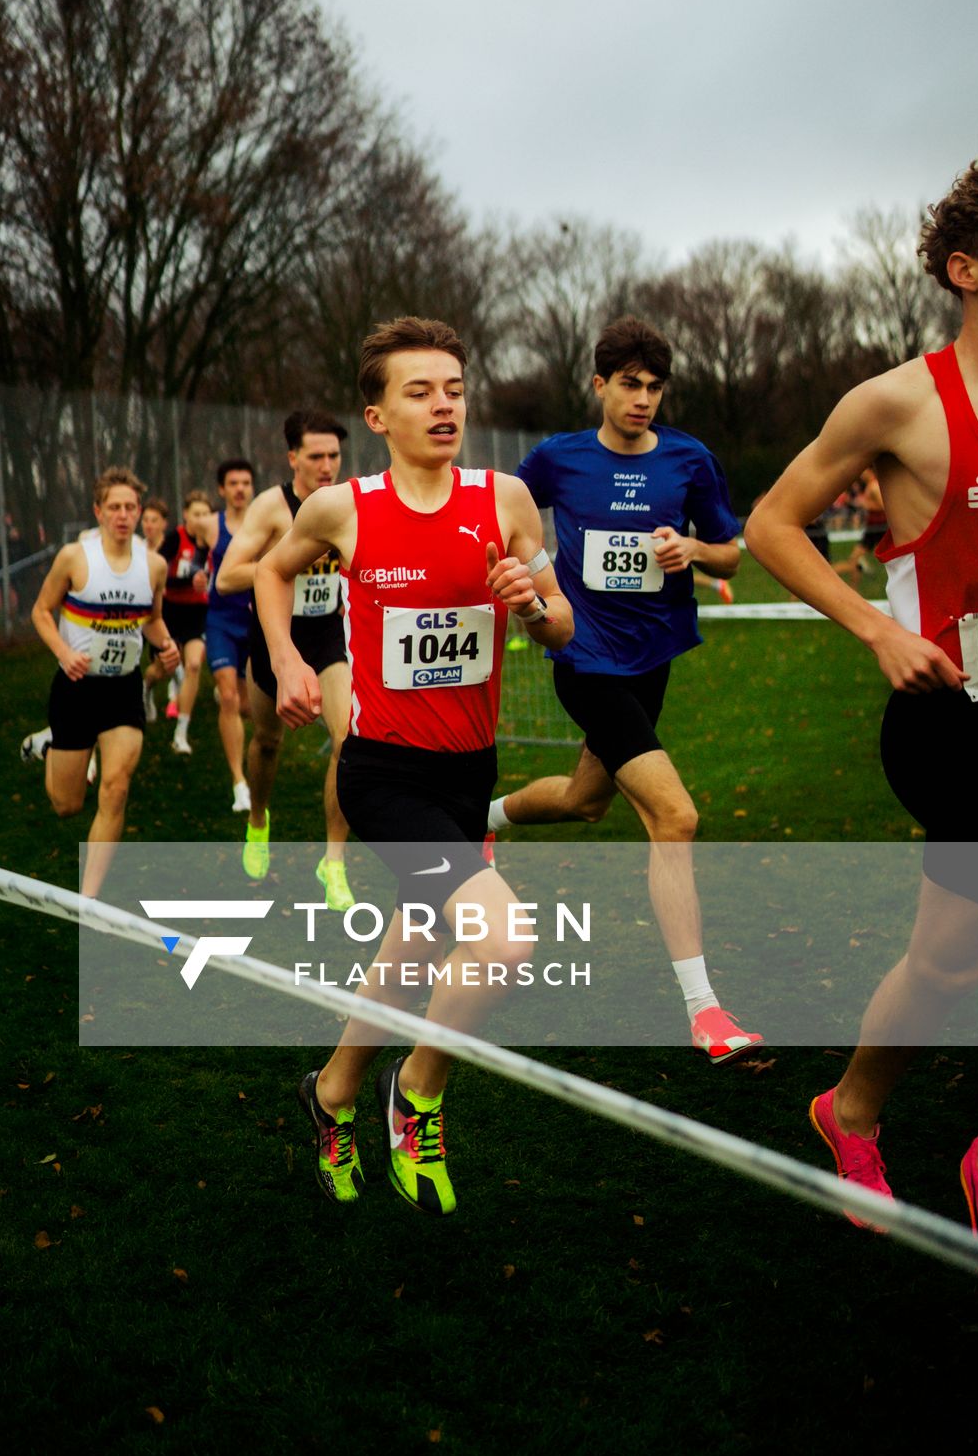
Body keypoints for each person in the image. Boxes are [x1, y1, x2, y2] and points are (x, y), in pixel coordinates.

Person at [746, 149, 978, 1315]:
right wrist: (872, 627)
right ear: (965, 269)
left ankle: (849, 1108)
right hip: (950, 726)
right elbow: (773, 524)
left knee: (946, 963)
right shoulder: (897, 403)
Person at [258, 316, 573, 1213]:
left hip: (467, 772)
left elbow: (563, 622)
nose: (444, 406)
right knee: (505, 942)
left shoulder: (505, 500)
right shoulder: (341, 509)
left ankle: (331, 1093)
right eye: (419, 392)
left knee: (411, 951)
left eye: (455, 390)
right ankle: (419, 1091)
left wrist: (533, 604)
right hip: (384, 775)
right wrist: (284, 659)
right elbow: (272, 576)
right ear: (379, 415)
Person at [486, 316, 762, 1062]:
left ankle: (484, 819)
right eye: (630, 385)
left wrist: (694, 549)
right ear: (599, 384)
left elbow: (733, 555)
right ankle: (704, 1010)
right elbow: (500, 509)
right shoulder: (558, 459)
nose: (643, 399)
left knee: (586, 800)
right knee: (674, 817)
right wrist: (521, 574)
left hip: (654, 659)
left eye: (655, 387)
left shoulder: (690, 460)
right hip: (584, 659)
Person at [216, 411, 355, 910]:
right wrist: (282, 564)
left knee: (347, 740)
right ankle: (258, 820)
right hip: (275, 637)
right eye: (315, 456)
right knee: (268, 744)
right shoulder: (272, 508)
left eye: (333, 456)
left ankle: (333, 862)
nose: (326, 466)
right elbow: (227, 577)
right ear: (292, 457)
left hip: (326, 635)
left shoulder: (345, 503)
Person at [19, 467, 178, 900]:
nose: (123, 515)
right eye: (114, 507)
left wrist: (166, 646)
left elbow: (152, 619)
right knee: (66, 805)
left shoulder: (155, 565)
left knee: (116, 786)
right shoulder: (75, 558)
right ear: (98, 511)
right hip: (76, 688)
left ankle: (89, 899)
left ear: (140, 512)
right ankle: (50, 744)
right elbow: (40, 611)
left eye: (130, 507)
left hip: (123, 690)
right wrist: (63, 652)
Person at [204, 459, 256, 812]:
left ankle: (230, 693)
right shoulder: (209, 525)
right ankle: (240, 781)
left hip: (255, 620)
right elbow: (187, 555)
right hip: (220, 618)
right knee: (228, 698)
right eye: (233, 483)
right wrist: (195, 574)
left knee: (249, 705)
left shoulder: (264, 522)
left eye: (246, 482)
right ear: (222, 490)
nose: (240, 489)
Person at [146, 491, 213, 753]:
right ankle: (147, 688)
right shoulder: (176, 538)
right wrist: (187, 582)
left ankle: (180, 733)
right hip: (171, 612)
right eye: (196, 514)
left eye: (206, 514)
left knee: (194, 665)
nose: (201, 519)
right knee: (162, 669)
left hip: (198, 613)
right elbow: (158, 572)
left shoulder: (213, 541)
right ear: (186, 515)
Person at [137, 497, 169, 722]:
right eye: (145, 520)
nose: (148, 525)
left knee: (163, 665)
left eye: (153, 520)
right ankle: (139, 694)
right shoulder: (134, 548)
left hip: (165, 614)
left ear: (163, 523)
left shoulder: (171, 547)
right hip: (137, 616)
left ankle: (148, 686)